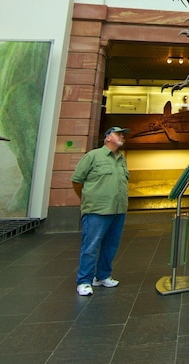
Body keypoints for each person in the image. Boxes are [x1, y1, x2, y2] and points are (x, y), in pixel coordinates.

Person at [72, 126, 130, 296]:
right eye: (118, 134)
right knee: (90, 246)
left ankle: (103, 276)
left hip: (118, 209)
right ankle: (84, 281)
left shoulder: (122, 159)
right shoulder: (93, 156)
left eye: (123, 134)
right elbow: (77, 180)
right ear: (107, 137)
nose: (122, 136)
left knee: (111, 245)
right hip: (97, 210)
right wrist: (87, 199)